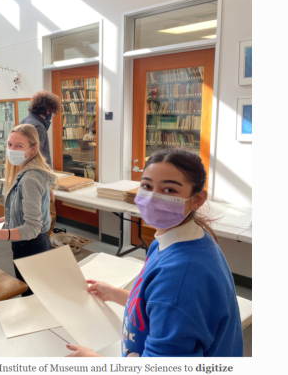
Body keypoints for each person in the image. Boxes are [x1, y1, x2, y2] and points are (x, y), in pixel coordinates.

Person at [66, 149, 243, 358]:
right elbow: (160, 307)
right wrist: (118, 294)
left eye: (169, 190)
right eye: (146, 186)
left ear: (197, 199)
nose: (152, 197)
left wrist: (93, 361)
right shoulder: (176, 240)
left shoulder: (181, 276)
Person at [0, 124, 58, 296]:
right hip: (26, 245)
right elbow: (21, 212)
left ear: (33, 149)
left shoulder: (30, 178)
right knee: (31, 294)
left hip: (32, 247)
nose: (12, 150)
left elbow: (32, 227)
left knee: (32, 297)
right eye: (10, 145)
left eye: (19, 146)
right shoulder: (23, 173)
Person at [20, 90, 62, 233]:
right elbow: (38, 158)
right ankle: (43, 247)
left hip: (26, 176)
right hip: (38, 178)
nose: (52, 116)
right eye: (53, 112)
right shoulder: (38, 126)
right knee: (48, 216)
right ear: (47, 110)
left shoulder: (25, 121)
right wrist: (48, 184)